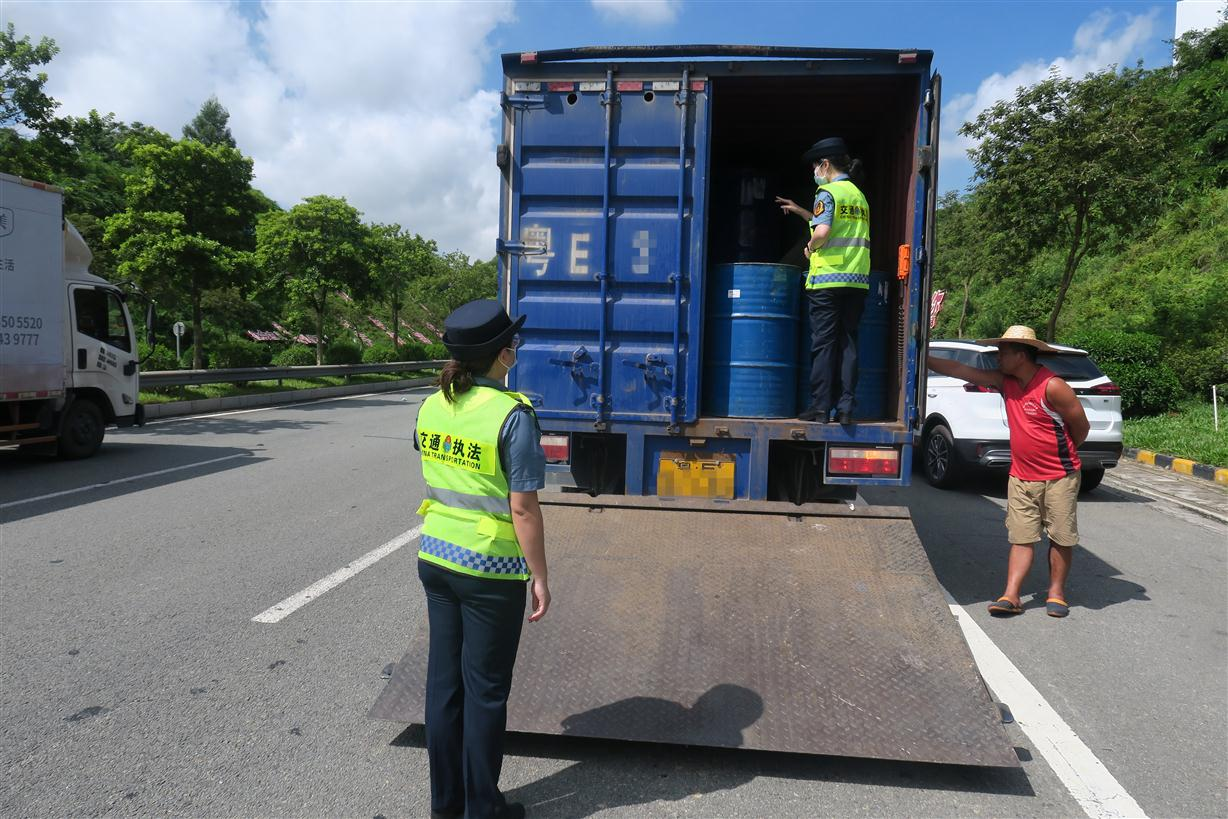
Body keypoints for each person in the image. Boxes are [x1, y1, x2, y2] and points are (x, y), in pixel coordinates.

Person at [413, 299, 549, 819]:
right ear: (503, 355)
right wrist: (540, 575)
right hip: (490, 568)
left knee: (443, 686)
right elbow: (524, 509)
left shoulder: (431, 405)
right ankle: (483, 810)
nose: (515, 348)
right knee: (486, 692)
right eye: (512, 342)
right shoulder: (512, 415)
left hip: (436, 557)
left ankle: (446, 807)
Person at [925, 325, 1090, 618]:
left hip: (1059, 477)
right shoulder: (1006, 382)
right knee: (1021, 536)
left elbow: (1081, 427)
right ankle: (1011, 595)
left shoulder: (1053, 386)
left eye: (1003, 352)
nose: (997, 357)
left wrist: (1060, 454)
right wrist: (920, 355)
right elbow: (960, 370)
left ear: (1021, 355)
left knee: (1061, 537)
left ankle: (1056, 593)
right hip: (1021, 475)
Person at [775, 137, 870, 424]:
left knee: (824, 345)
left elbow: (823, 231)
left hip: (828, 281)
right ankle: (845, 408)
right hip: (856, 281)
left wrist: (810, 248)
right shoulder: (858, 195)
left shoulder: (827, 192)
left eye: (816, 165)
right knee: (848, 344)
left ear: (825, 164)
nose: (815, 171)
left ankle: (819, 408)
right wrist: (802, 211)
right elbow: (831, 223)